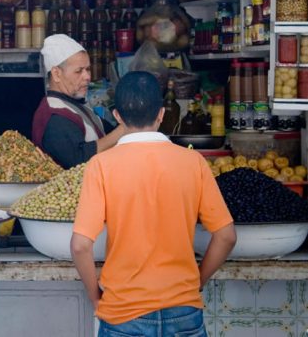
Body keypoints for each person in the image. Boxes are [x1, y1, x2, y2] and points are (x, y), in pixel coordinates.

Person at [71, 71, 236, 337]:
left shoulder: (101, 165)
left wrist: (95, 297)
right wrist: (196, 283)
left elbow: (80, 245)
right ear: (161, 114)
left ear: (117, 117)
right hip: (184, 310)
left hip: (123, 313)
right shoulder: (193, 163)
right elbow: (226, 236)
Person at [32, 34, 126, 168]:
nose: (87, 76)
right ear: (57, 74)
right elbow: (77, 159)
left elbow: (109, 133)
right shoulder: (54, 114)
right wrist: (125, 129)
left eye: (88, 69)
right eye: (79, 71)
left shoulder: (77, 105)